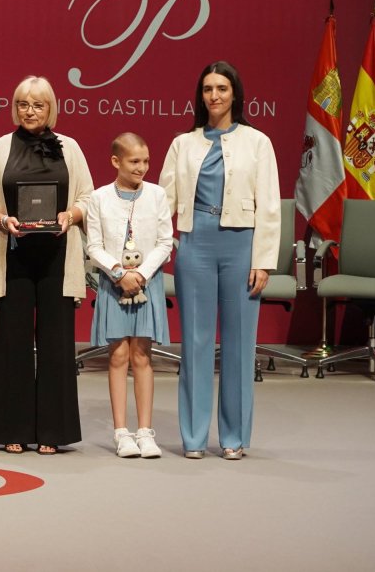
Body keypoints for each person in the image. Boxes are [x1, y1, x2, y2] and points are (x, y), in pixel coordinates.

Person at [159, 61, 280, 460]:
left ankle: (233, 437)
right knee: (195, 342)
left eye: (222, 88)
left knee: (239, 344)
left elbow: (269, 206)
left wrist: (263, 261)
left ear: (235, 94)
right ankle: (194, 438)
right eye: (208, 89)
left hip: (241, 247)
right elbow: (162, 202)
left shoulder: (257, 142)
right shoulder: (183, 144)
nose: (214, 96)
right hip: (195, 243)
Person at [0, 75, 93, 455]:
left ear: (51, 108)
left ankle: (53, 432)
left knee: (57, 345)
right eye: (23, 104)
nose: (30, 111)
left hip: (58, 257)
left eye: (38, 104)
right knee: (12, 343)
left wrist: (71, 215)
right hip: (13, 256)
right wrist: (1, 219)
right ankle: (13, 427)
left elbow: (88, 199)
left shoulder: (70, 148)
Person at [85, 133, 172, 458]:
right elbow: (94, 246)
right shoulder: (99, 198)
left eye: (146, 161)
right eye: (135, 161)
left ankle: (145, 432)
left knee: (142, 356)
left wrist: (141, 274)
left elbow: (165, 242)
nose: (142, 167)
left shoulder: (157, 195)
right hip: (114, 284)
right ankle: (121, 432)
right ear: (116, 161)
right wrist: (119, 274)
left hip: (147, 284)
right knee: (119, 355)